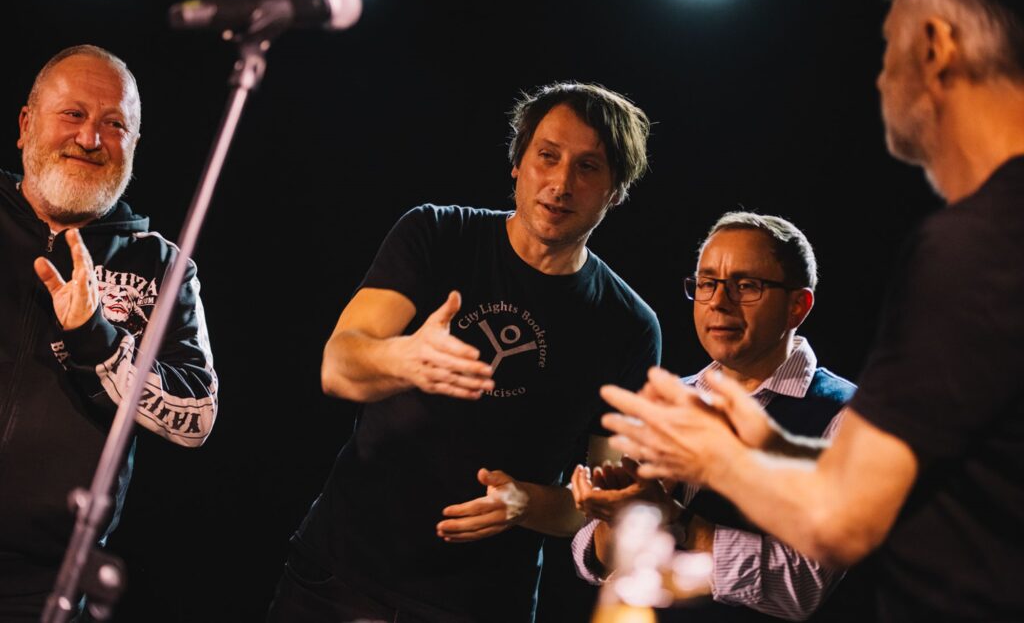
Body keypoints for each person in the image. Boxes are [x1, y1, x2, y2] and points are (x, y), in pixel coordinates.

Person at [599, 0, 1024, 620]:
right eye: (707, 281)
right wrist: (769, 445)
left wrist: (713, 459)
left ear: (935, 46)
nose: (879, 79)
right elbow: (892, 486)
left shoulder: (979, 248)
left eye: (886, 48)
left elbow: (841, 522)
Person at [268, 82, 661, 622]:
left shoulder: (629, 326)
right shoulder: (437, 233)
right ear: (517, 164)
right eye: (547, 156)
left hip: (482, 605)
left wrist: (527, 503)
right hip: (341, 576)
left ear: (615, 191)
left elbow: (599, 502)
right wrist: (405, 358)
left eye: (588, 167)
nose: (561, 183)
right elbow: (338, 367)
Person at [0, 45, 218, 619]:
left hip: (40, 588)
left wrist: (95, 340)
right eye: (73, 114)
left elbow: (197, 416)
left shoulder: (163, 266)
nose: (90, 138)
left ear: (133, 146)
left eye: (114, 124)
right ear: (25, 125)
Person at [571, 212, 856, 621]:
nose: (719, 302)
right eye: (707, 284)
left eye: (747, 286)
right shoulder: (670, 399)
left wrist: (679, 522)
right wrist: (620, 516)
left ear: (798, 306)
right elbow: (596, 564)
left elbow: (802, 587)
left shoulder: (846, 416)